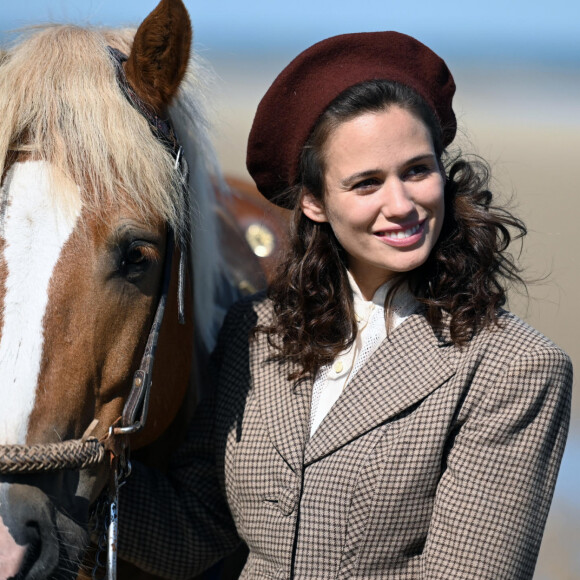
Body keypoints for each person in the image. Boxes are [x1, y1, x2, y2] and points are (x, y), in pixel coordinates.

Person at [118, 31, 573, 579]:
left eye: (417, 171)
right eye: (366, 183)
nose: (401, 204)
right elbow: (191, 532)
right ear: (313, 201)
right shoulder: (257, 332)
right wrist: (68, 465)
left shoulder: (513, 368)